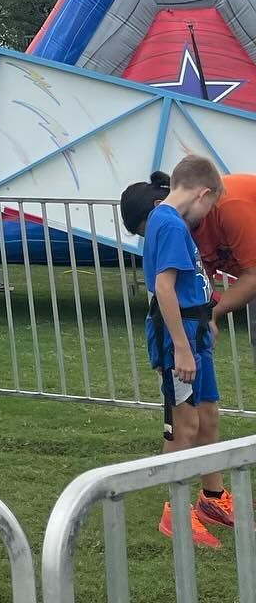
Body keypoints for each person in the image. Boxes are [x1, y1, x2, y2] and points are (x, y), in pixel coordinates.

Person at [121, 157, 233, 546]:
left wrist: (208, 318)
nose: (208, 216)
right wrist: (182, 350)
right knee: (183, 426)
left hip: (194, 331)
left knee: (208, 416)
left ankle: (213, 499)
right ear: (203, 193)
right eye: (211, 206)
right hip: (179, 340)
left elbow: (189, 283)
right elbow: (164, 288)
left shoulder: (171, 223)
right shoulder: (167, 223)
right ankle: (174, 512)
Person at [194, 171, 256, 330]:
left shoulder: (228, 203)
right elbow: (205, 285)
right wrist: (204, 316)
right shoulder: (184, 229)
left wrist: (212, 313)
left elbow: (254, 276)